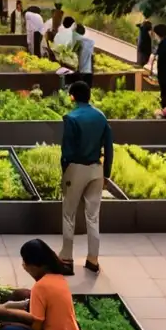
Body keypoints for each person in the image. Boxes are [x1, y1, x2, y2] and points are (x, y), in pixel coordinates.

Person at [59, 81, 113, 275]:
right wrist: (106, 173)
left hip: (76, 168)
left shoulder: (71, 118)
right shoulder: (101, 117)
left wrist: (65, 170)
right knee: (93, 216)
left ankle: (66, 258)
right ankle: (93, 259)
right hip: (96, 169)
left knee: (69, 214)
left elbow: (67, 150)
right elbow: (109, 147)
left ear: (73, 96)